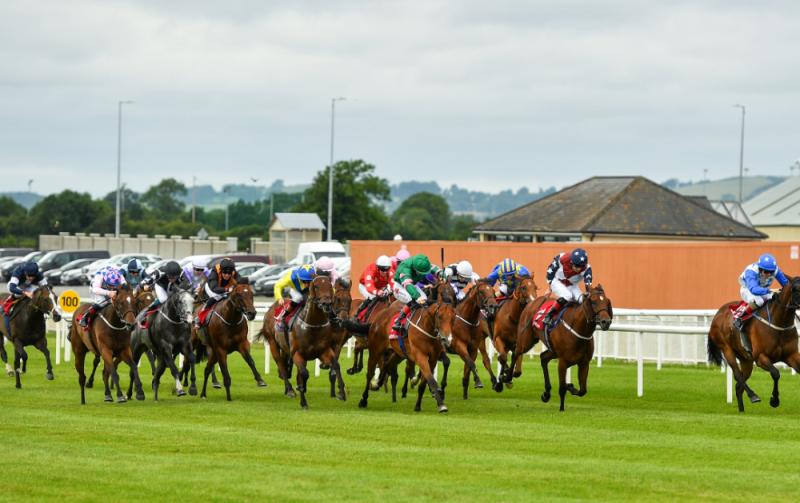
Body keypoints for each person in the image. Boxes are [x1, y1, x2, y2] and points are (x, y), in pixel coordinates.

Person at [733, 253, 789, 353]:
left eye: (771, 272)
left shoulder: (776, 270)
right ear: (760, 269)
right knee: (759, 301)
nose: (769, 274)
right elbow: (754, 289)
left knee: (776, 298)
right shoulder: (751, 271)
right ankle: (740, 317)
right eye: (766, 271)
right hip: (748, 289)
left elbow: (786, 284)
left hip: (763, 289)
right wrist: (769, 290)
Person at [391, 254, 441, 335]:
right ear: (414, 268)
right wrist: (417, 297)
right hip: (400, 286)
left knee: (424, 299)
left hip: (412, 284)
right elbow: (408, 285)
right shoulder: (405, 268)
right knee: (413, 299)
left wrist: (441, 274)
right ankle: (398, 321)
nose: (423, 274)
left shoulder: (422, 263)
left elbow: (434, 268)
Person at [542, 248, 593, 326]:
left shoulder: (587, 269)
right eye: (576, 266)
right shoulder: (563, 258)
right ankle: (549, 316)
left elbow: (588, 286)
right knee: (568, 296)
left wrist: (589, 294)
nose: (579, 269)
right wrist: (549, 288)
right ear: (571, 262)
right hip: (556, 281)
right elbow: (550, 271)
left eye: (581, 266)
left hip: (572, 285)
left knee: (583, 300)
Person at [273, 264, 315, 330]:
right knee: (298, 297)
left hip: (307, 291)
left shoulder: (315, 276)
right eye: (304, 281)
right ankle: (283, 316)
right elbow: (278, 285)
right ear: (299, 277)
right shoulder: (290, 277)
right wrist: (279, 298)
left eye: (309, 281)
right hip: (295, 289)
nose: (307, 284)